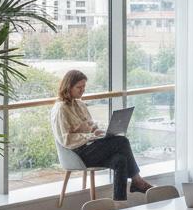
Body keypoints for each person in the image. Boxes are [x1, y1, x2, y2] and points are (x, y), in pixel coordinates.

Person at [50, 70, 151, 201]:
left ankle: (119, 203)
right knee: (122, 141)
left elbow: (91, 126)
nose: (82, 90)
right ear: (68, 87)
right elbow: (66, 140)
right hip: (78, 154)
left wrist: (100, 132)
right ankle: (137, 180)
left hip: (92, 149)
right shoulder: (61, 109)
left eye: (84, 87)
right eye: (79, 87)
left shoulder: (80, 104)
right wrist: (91, 136)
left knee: (120, 160)